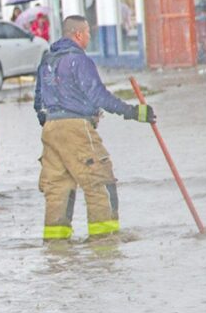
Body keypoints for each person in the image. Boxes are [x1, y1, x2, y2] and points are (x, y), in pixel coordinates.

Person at [33, 16, 155, 241]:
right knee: (100, 182)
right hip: (76, 129)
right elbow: (99, 96)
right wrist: (133, 112)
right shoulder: (79, 61)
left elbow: (38, 100)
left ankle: (56, 250)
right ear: (78, 34)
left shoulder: (47, 60)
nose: (90, 37)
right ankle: (104, 244)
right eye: (88, 32)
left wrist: (54, 121)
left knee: (58, 191)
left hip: (50, 129)